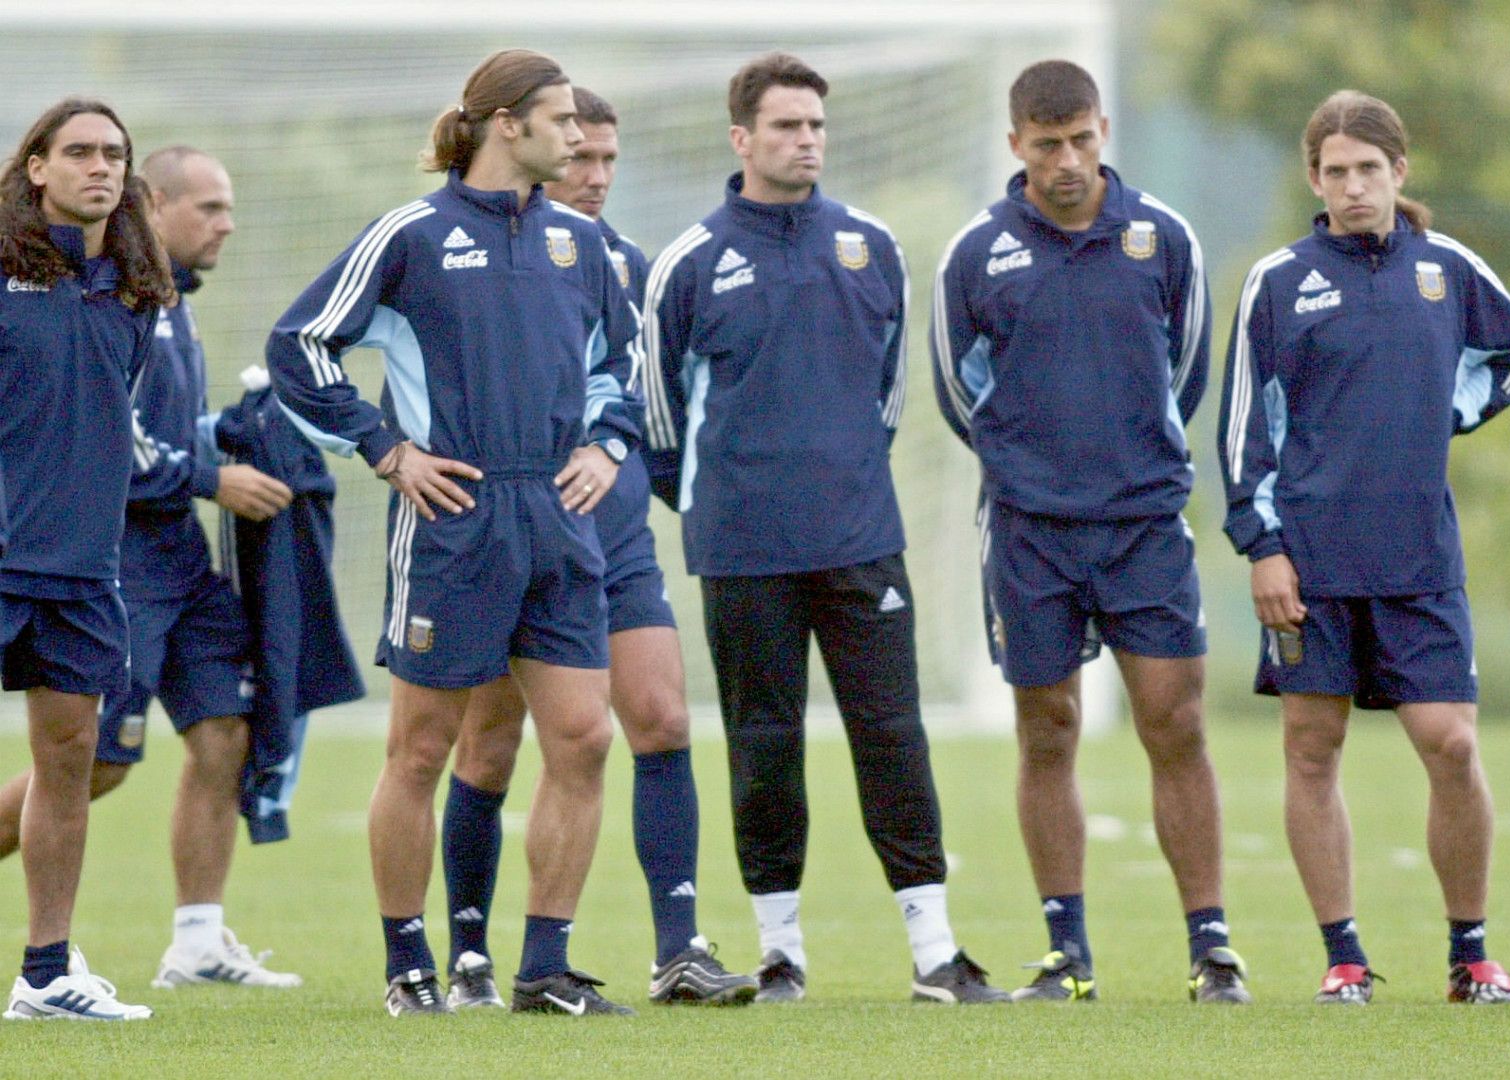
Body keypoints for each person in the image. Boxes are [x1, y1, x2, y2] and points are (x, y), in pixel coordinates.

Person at [267, 49, 644, 1017]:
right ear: (505, 124)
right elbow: (298, 345)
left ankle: (542, 969)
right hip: (453, 522)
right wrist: (387, 451)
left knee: (583, 739)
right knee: (424, 751)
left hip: (559, 522)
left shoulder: (581, 244)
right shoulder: (413, 233)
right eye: (561, 120)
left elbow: (623, 361)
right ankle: (407, 967)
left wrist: (606, 441)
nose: (579, 137)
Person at [641, 52, 1006, 1005]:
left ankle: (935, 955)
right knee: (765, 747)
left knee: (893, 736)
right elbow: (658, 416)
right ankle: (779, 953)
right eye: (786, 126)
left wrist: (833, 476)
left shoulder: (870, 244)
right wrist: (722, 497)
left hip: (858, 538)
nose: (806, 141)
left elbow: (885, 393)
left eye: (816, 126)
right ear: (742, 139)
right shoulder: (689, 261)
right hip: (742, 546)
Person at [1218, 90, 1510, 1007]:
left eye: (1369, 169)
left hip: (1417, 559)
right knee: (1311, 745)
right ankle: (1344, 957)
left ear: (1400, 172)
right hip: (1309, 564)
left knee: (1450, 743)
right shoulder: (1278, 281)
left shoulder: (1447, 269)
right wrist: (1261, 545)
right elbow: (1244, 426)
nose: (1353, 187)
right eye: (1335, 172)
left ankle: (1472, 954)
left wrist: (1455, 408)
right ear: (1313, 178)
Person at [931, 59, 1245, 1004]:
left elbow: (1185, 373)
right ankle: (1068, 952)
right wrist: (1033, 465)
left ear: (1104, 131)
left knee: (1174, 722)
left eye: (1081, 141)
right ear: (1015, 144)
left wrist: (1131, 453)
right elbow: (957, 389)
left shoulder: (1163, 238)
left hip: (1144, 524)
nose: (1066, 162)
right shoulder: (976, 253)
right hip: (1028, 532)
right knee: (1048, 729)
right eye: (1046, 145)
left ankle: (1212, 947)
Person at [439, 86, 755, 1009]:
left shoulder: (629, 265)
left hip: (609, 533)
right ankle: (467, 952)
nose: (596, 175)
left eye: (611, 159)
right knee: (491, 745)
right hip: (510, 530)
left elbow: (643, 402)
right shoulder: (486, 250)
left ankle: (679, 949)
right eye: (583, 156)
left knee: (659, 718)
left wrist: (646, 475)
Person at [0, 146, 303, 991]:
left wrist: (229, 437)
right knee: (93, 763)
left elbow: (163, 424)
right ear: (156, 202)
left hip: (184, 562)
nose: (227, 224)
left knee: (224, 732)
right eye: (208, 207)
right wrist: (211, 477)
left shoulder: (167, 301)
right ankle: (52, 960)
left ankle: (198, 942)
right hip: (116, 560)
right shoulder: (101, 295)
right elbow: (101, 430)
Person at [1, 97, 174, 1020]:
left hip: (81, 571)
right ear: (35, 168)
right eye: (78, 152)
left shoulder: (135, 290)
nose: (99, 166)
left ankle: (45, 975)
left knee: (68, 762)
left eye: (114, 153)